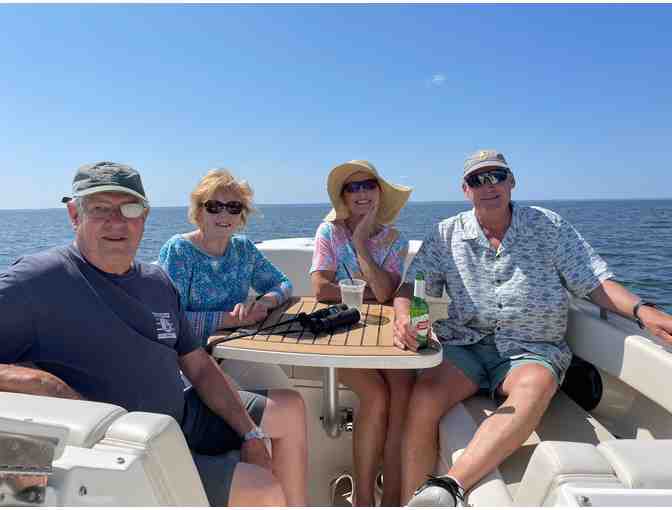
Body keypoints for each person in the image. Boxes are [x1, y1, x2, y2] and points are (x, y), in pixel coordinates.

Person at [0, 162, 308, 506]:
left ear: (144, 218)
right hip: (126, 446)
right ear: (75, 214)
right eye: (100, 208)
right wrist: (43, 384)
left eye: (129, 209)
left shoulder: (157, 283)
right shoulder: (38, 280)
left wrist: (249, 432)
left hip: (181, 414)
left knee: (291, 409)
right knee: (262, 488)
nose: (116, 222)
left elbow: (200, 367)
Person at [394, 150, 672, 506]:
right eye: (478, 180)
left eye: (496, 176)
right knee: (423, 398)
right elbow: (410, 287)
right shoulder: (446, 234)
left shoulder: (548, 226)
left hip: (531, 348)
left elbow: (594, 283)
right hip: (467, 345)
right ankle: (407, 501)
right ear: (466, 190)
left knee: (535, 387)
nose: (488, 185)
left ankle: (446, 488)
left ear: (512, 182)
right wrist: (404, 315)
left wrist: (642, 310)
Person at [310, 159, 414, 506]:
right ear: (343, 196)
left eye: (368, 185)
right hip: (341, 333)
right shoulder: (327, 232)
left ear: (379, 191)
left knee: (404, 397)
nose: (361, 193)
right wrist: (367, 294)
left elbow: (387, 293)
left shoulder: (394, 240)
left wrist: (360, 243)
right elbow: (321, 289)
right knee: (376, 396)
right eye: (352, 187)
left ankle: (395, 497)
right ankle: (364, 498)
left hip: (384, 334)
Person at [158, 169, 293, 389]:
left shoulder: (243, 249)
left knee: (287, 393)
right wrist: (232, 319)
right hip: (187, 361)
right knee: (252, 410)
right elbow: (170, 321)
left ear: (242, 215)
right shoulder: (180, 251)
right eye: (214, 207)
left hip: (232, 350)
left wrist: (264, 302)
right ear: (199, 212)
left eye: (233, 207)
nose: (224, 215)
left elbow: (283, 284)